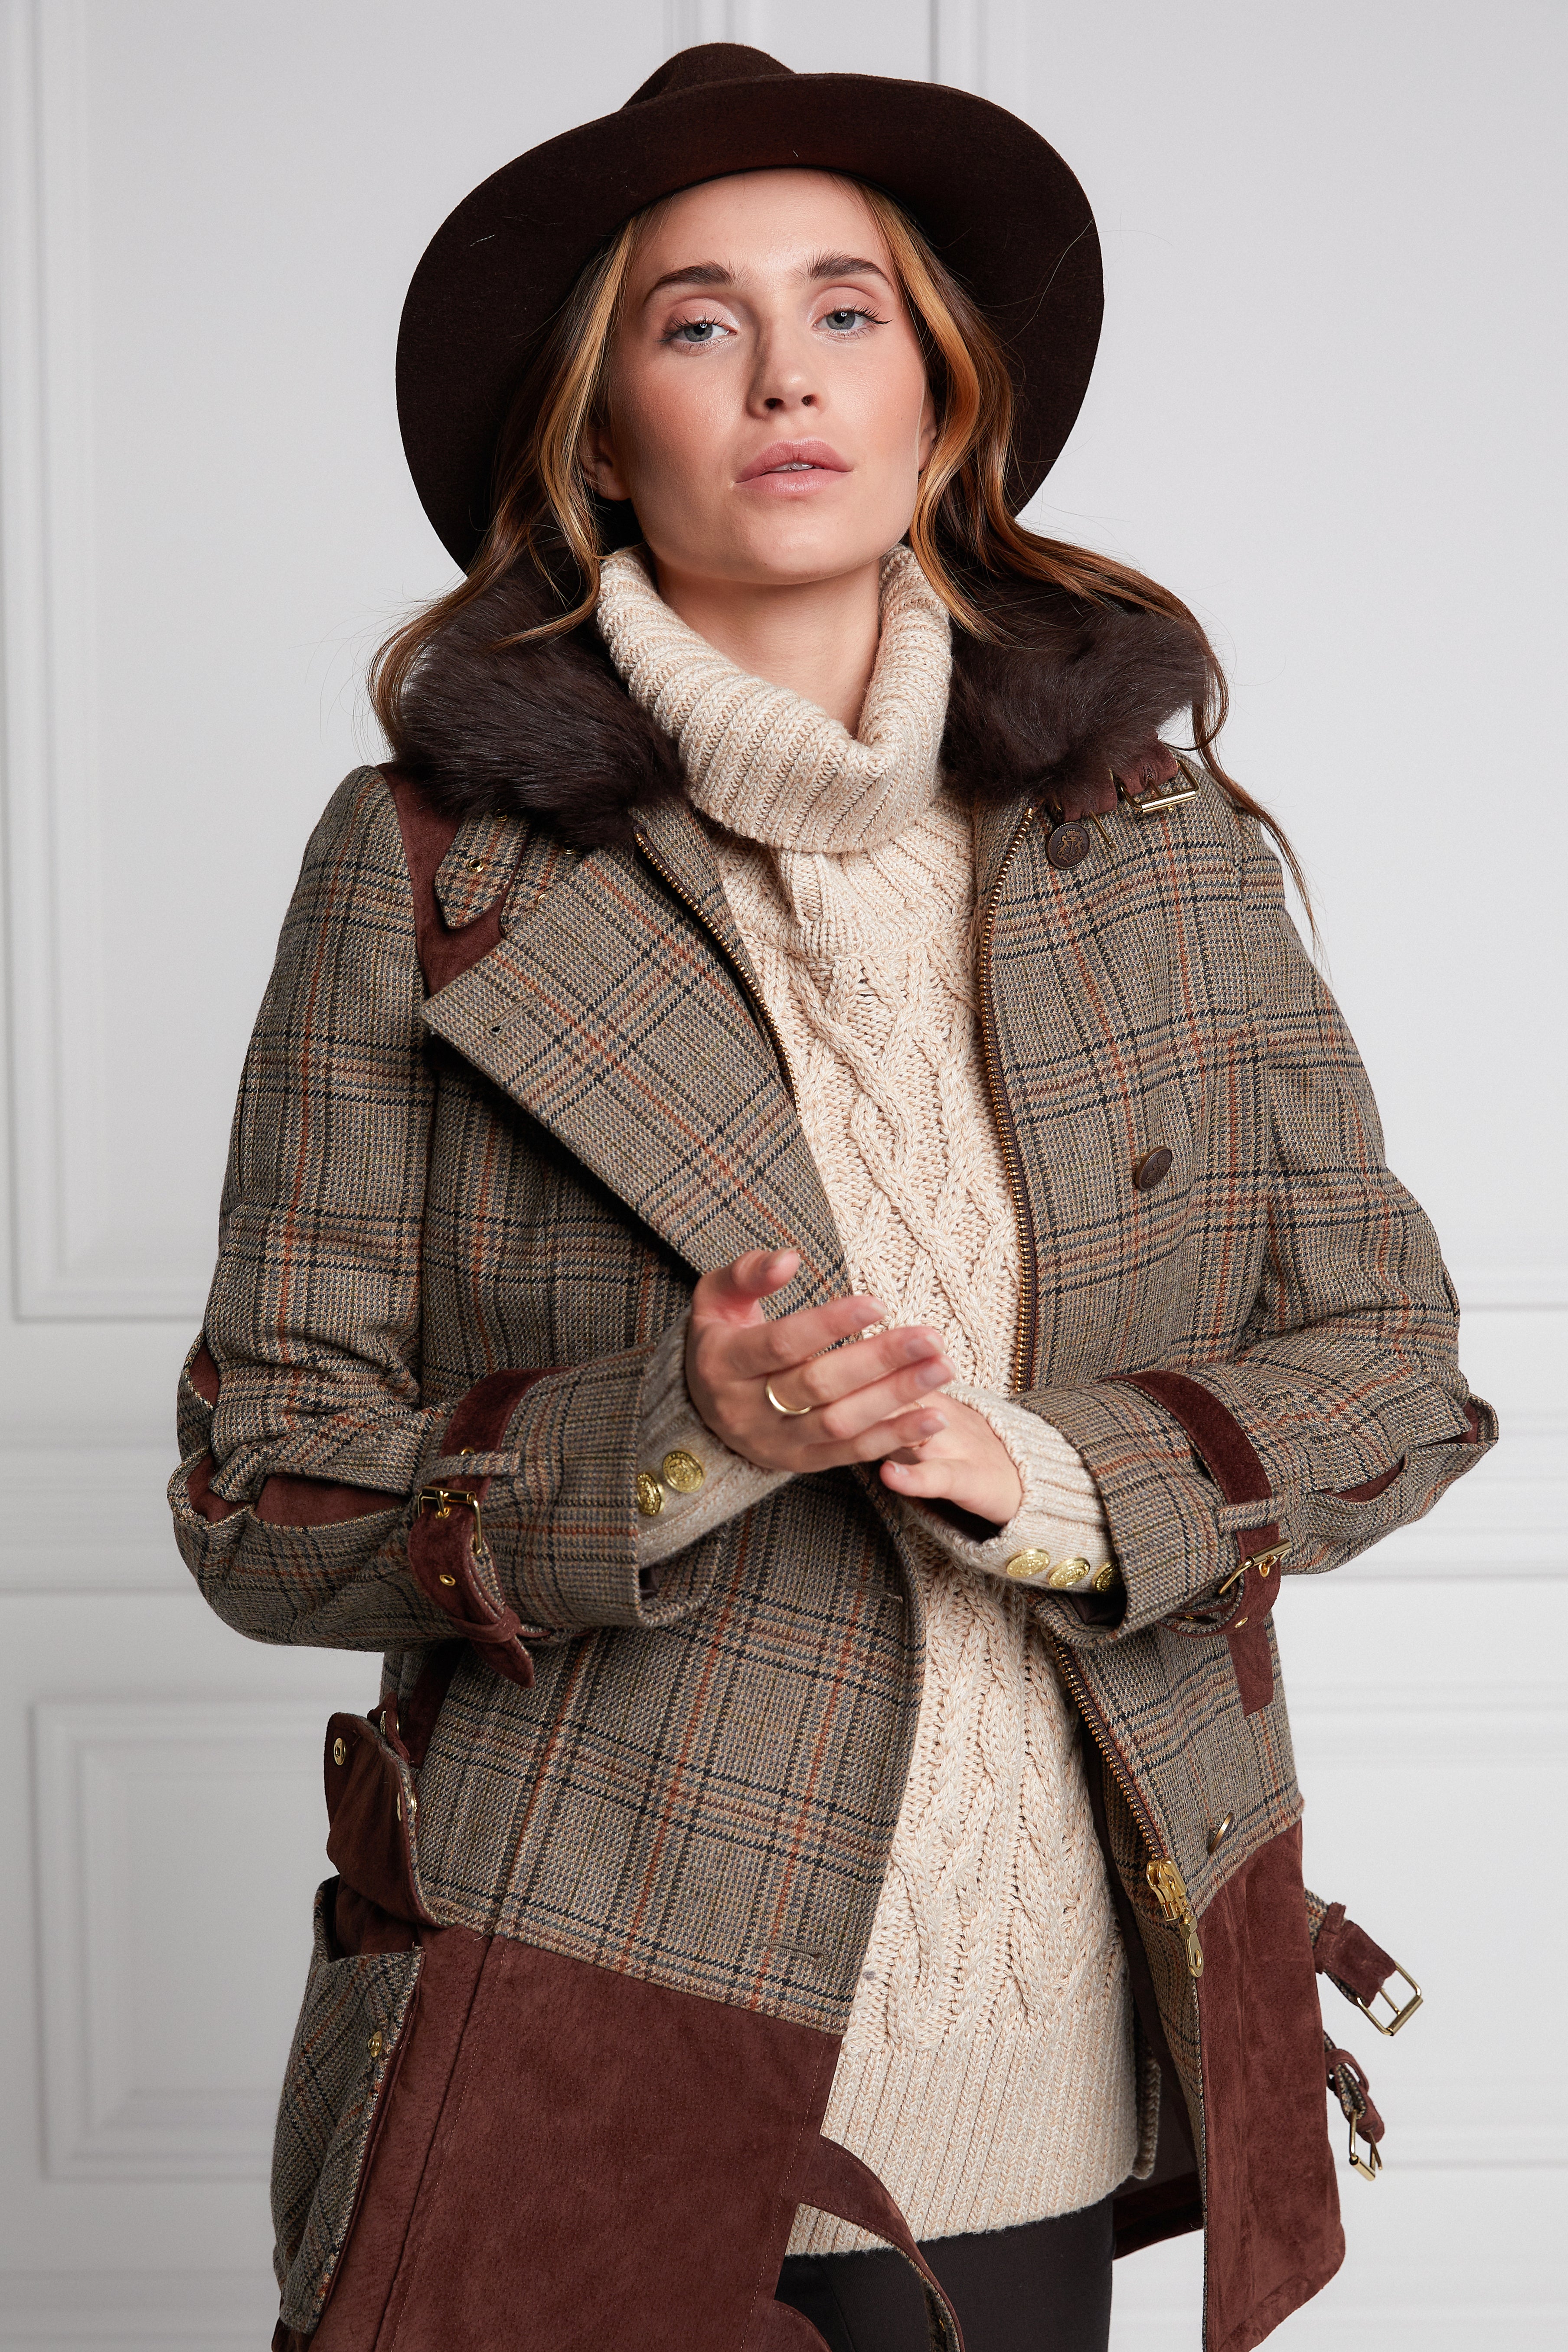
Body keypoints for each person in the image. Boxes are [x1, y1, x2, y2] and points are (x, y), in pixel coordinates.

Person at [169, 43, 1494, 2352]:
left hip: (1045, 2039)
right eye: (697, 323)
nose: (785, 374)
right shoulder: (430, 874)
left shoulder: (1154, 847)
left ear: (941, 405)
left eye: (848, 310)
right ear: (603, 434)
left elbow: (1394, 1371)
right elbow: (258, 1494)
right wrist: (675, 1444)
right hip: (584, 2028)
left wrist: (1055, 1477)